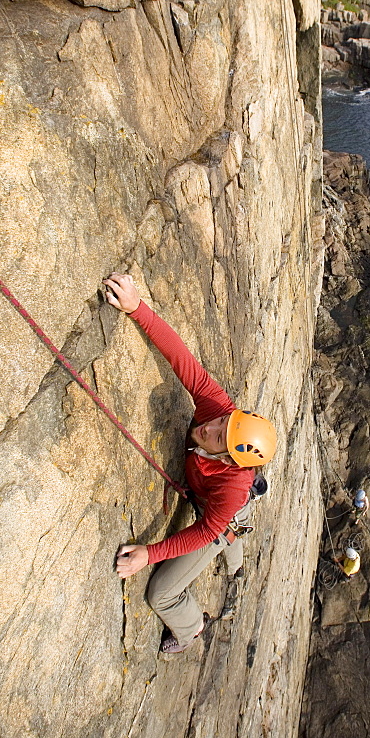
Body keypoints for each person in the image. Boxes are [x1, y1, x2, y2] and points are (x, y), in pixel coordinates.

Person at [104, 273, 277, 654]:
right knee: (228, 517)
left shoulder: (230, 485)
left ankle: (190, 629)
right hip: (220, 499)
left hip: (217, 516)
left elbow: (203, 532)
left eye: (218, 436)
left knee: (161, 593)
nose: (209, 426)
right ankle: (237, 559)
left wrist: (149, 553)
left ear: (232, 458)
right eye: (220, 423)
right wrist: (137, 308)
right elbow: (185, 362)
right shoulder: (222, 412)